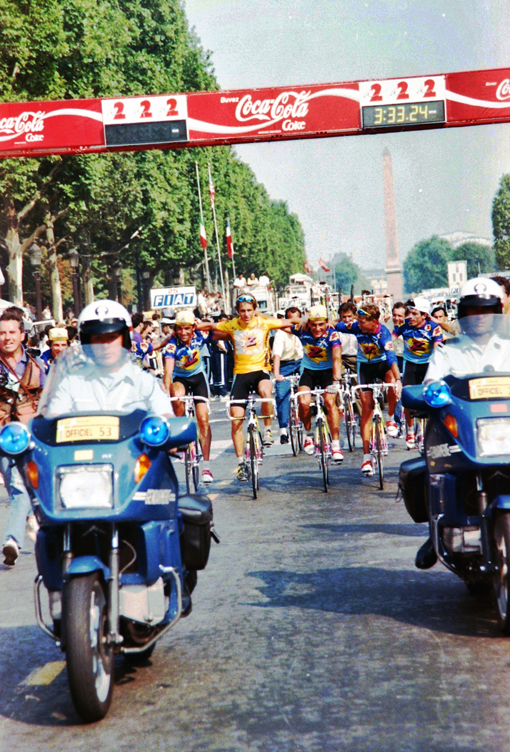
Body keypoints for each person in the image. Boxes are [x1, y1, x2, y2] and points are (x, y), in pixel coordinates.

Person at [415, 277, 506, 570]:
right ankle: (437, 530)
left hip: (503, 429)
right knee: (433, 466)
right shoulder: (448, 351)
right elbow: (430, 384)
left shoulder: (508, 348)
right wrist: (429, 394)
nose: (480, 317)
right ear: (463, 313)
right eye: (473, 310)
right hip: (466, 432)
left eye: (487, 310)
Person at [198, 293, 292, 481]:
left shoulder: (264, 322)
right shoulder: (232, 325)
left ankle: (266, 431)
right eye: (242, 311)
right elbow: (210, 327)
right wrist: (195, 326)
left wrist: (314, 320)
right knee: (236, 420)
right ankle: (241, 463)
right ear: (237, 312)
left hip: (261, 371)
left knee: (266, 391)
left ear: (255, 310)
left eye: (249, 310)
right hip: (240, 375)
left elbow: (289, 322)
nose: (246, 314)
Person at [43, 300, 172, 417]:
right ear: (87, 342)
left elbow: (167, 421)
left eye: (112, 337)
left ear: (125, 339)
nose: (105, 345)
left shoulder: (146, 383)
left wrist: (169, 427)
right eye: (98, 339)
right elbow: (53, 420)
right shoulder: (71, 384)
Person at [0, 306, 46, 566]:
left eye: (12, 332)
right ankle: (29, 518)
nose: (7, 337)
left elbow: (49, 399)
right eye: (2, 333)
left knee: (19, 488)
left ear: (22, 335)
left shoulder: (37, 366)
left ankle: (12, 541)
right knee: (15, 485)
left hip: (26, 439)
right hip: (1, 436)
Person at [336, 304, 401, 476]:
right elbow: (334, 326)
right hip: (364, 366)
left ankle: (390, 418)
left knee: (392, 383)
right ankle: (366, 457)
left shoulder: (383, 333)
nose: (359, 324)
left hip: (382, 364)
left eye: (362, 322)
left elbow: (391, 357)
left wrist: (399, 380)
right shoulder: (355, 326)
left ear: (373, 321)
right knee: (366, 408)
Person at [162, 310, 214, 484]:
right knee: (176, 396)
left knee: (203, 418)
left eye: (187, 329)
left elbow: (216, 327)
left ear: (193, 328)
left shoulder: (200, 336)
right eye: (179, 329)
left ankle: (206, 466)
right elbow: (168, 372)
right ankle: (182, 432)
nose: (183, 333)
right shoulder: (172, 344)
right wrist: (165, 390)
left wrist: (199, 325)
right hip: (180, 378)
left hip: (199, 378)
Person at [292, 305, 344, 463]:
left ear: (327, 322)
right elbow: (279, 323)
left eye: (321, 324)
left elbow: (336, 358)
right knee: (303, 402)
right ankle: (307, 436)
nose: (317, 328)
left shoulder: (332, 334)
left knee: (329, 402)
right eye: (313, 324)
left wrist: (336, 380)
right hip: (308, 371)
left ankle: (335, 445)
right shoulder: (301, 329)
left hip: (328, 372)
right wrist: (300, 320)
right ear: (308, 324)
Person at [392, 297, 443, 449]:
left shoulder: (433, 328)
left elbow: (437, 351)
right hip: (411, 365)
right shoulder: (404, 325)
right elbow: (390, 339)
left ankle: (431, 429)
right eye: (409, 313)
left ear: (424, 315)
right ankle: (410, 430)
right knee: (408, 397)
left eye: (414, 314)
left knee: (431, 397)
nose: (410, 317)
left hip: (428, 364)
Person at [272, 304, 303, 444]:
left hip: (302, 363)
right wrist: (277, 375)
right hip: (285, 364)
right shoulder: (280, 334)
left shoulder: (305, 330)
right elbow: (276, 356)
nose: (294, 324)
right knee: (281, 393)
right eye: (291, 320)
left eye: (297, 320)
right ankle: (283, 430)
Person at [391, 302, 408, 434]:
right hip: (395, 359)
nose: (396, 318)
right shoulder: (390, 327)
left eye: (400, 316)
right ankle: (396, 422)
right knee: (396, 390)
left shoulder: (410, 327)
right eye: (394, 315)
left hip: (409, 360)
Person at [338, 302, 358, 374]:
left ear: (355, 315)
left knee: (356, 381)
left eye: (349, 316)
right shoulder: (337, 327)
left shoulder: (358, 327)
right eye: (344, 317)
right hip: (341, 357)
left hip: (356, 357)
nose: (347, 319)